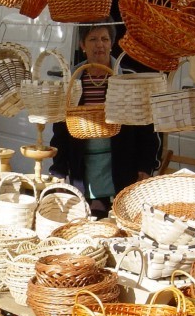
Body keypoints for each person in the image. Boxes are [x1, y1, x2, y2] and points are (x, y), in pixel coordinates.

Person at [49, 17, 162, 219]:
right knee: (89, 224)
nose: (99, 44)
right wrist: (58, 169)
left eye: (104, 39)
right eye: (92, 39)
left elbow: (146, 126)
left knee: (121, 222)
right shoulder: (73, 80)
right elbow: (60, 128)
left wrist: (146, 165)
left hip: (121, 166)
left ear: (111, 44)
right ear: (82, 45)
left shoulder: (127, 80)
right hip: (83, 170)